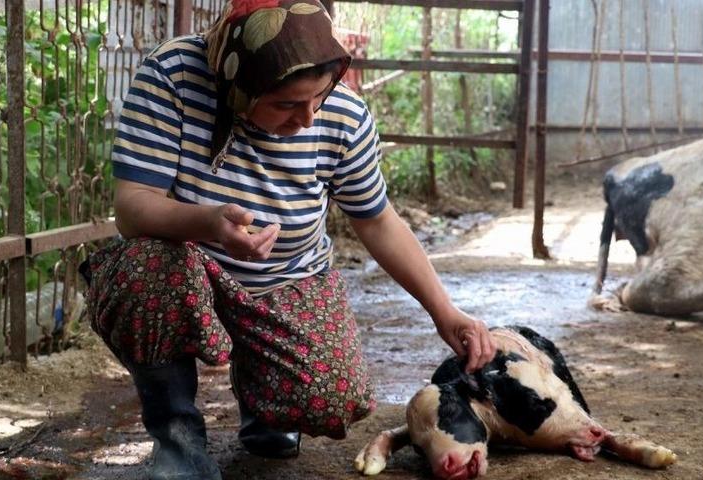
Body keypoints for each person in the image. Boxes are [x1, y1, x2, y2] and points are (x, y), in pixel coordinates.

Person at [80, 0, 496, 478]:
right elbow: (133, 207)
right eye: (286, 104)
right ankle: (178, 444)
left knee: (334, 397)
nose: (308, 119)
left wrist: (445, 312)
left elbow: (378, 221)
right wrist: (209, 224)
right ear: (238, 87)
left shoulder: (343, 116)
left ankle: (264, 401)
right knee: (143, 270)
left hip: (286, 279)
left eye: (317, 97)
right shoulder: (173, 76)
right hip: (183, 268)